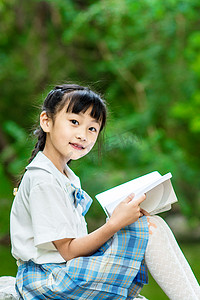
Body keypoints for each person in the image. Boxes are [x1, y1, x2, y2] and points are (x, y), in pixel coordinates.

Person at [10, 84, 200, 300]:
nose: (83, 135)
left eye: (92, 128)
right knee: (146, 227)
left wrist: (121, 222)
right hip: (50, 281)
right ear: (47, 121)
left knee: (151, 224)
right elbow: (68, 251)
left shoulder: (63, 177)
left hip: (62, 273)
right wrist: (114, 224)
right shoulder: (42, 179)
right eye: (74, 122)